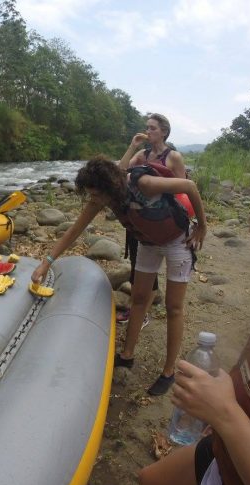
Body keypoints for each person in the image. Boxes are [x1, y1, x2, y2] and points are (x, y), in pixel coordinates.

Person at [101, 87, 250, 485]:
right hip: (233, 448)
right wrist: (229, 404)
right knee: (151, 482)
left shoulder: (162, 171)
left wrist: (226, 413)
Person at [31, 156, 207, 395]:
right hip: (147, 243)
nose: (92, 199)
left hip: (178, 241)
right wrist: (46, 263)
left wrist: (202, 226)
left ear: (109, 187)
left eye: (95, 194)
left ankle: (168, 372)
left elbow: (189, 186)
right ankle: (127, 354)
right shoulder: (102, 199)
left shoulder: (144, 184)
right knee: (138, 298)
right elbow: (74, 230)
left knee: (173, 307)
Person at [117, 114, 188, 328]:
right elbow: (119, 173)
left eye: (153, 128)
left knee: (155, 268)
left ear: (164, 131)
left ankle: (142, 309)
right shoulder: (142, 153)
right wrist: (132, 146)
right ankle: (139, 307)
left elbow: (183, 192)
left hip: (163, 221)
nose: (148, 131)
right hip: (139, 221)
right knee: (138, 265)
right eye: (147, 127)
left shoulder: (173, 157)